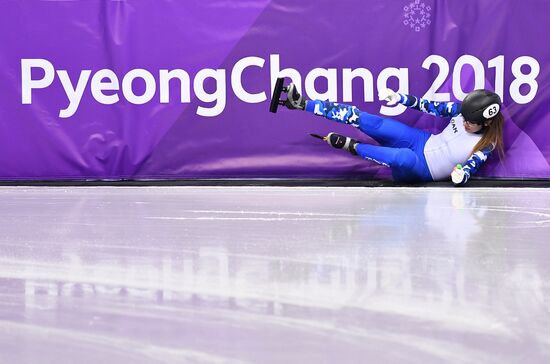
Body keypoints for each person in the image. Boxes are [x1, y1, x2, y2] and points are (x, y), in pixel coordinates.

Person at [279, 84, 504, 185]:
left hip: (423, 168)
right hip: (422, 141)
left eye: (471, 123)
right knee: (372, 122)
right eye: (463, 118)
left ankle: (353, 146)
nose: (464, 123)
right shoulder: (461, 112)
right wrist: (401, 98)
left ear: (487, 122)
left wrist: (461, 175)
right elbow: (430, 106)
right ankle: (301, 103)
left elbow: (470, 167)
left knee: (402, 158)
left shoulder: (487, 144)